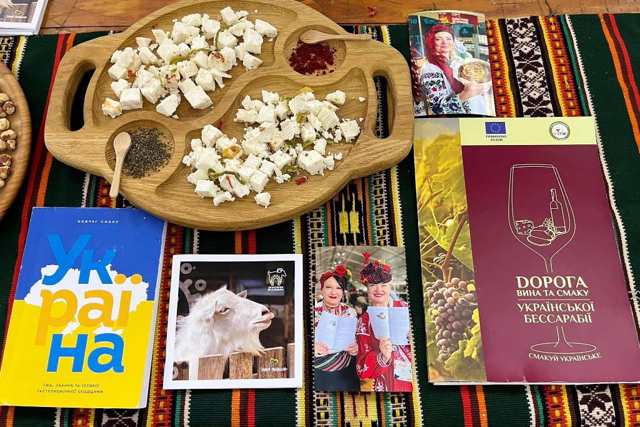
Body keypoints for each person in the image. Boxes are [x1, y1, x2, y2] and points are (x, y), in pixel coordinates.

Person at [356, 253, 413, 392]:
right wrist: (382, 356)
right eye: (373, 285)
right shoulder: (364, 321)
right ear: (367, 288)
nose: (379, 290)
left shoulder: (406, 309)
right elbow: (361, 367)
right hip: (384, 382)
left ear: (390, 286)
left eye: (384, 285)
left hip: (410, 377)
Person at [420, 24, 490, 115]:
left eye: (448, 38)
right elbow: (437, 108)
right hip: (459, 119)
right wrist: (466, 93)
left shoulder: (459, 62)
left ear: (453, 42)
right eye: (438, 39)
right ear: (431, 42)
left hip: (479, 111)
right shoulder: (430, 69)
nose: (444, 42)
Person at [313, 264, 360, 391]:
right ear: (322, 289)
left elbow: (358, 338)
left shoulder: (351, 312)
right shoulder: (312, 312)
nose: (334, 292)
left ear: (343, 291)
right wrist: (313, 347)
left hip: (346, 373)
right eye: (329, 287)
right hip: (319, 373)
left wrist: (356, 347)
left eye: (338, 288)